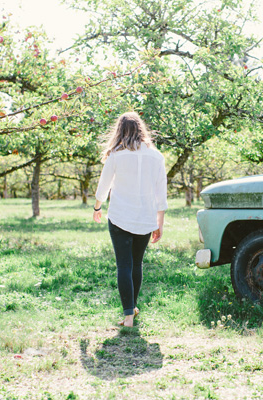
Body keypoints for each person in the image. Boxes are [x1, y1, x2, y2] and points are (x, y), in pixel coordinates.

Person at [93, 112, 167, 327]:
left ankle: (128, 315)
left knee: (124, 265)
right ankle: (132, 308)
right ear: (141, 129)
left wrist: (97, 207)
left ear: (120, 130)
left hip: (119, 216)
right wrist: (159, 223)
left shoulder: (116, 155)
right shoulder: (156, 156)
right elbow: (160, 193)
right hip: (145, 218)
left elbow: (103, 186)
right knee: (137, 264)